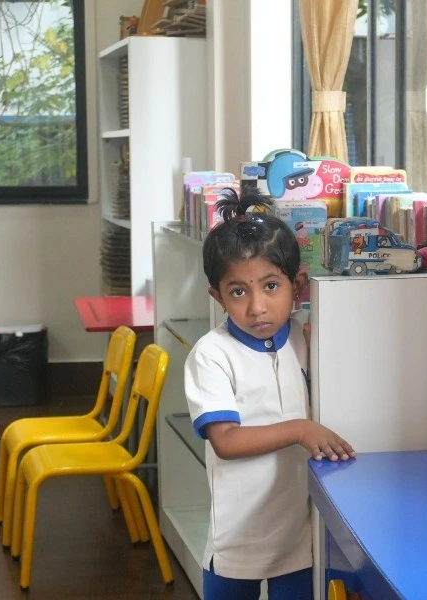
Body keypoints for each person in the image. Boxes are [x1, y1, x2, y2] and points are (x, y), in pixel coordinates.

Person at [184, 189, 356, 600]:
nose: (258, 306)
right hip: (238, 538)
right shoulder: (211, 354)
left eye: (271, 286)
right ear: (218, 296)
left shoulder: (305, 337)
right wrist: (298, 429)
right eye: (239, 291)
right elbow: (225, 441)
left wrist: (320, 345)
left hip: (300, 536)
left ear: (296, 285)